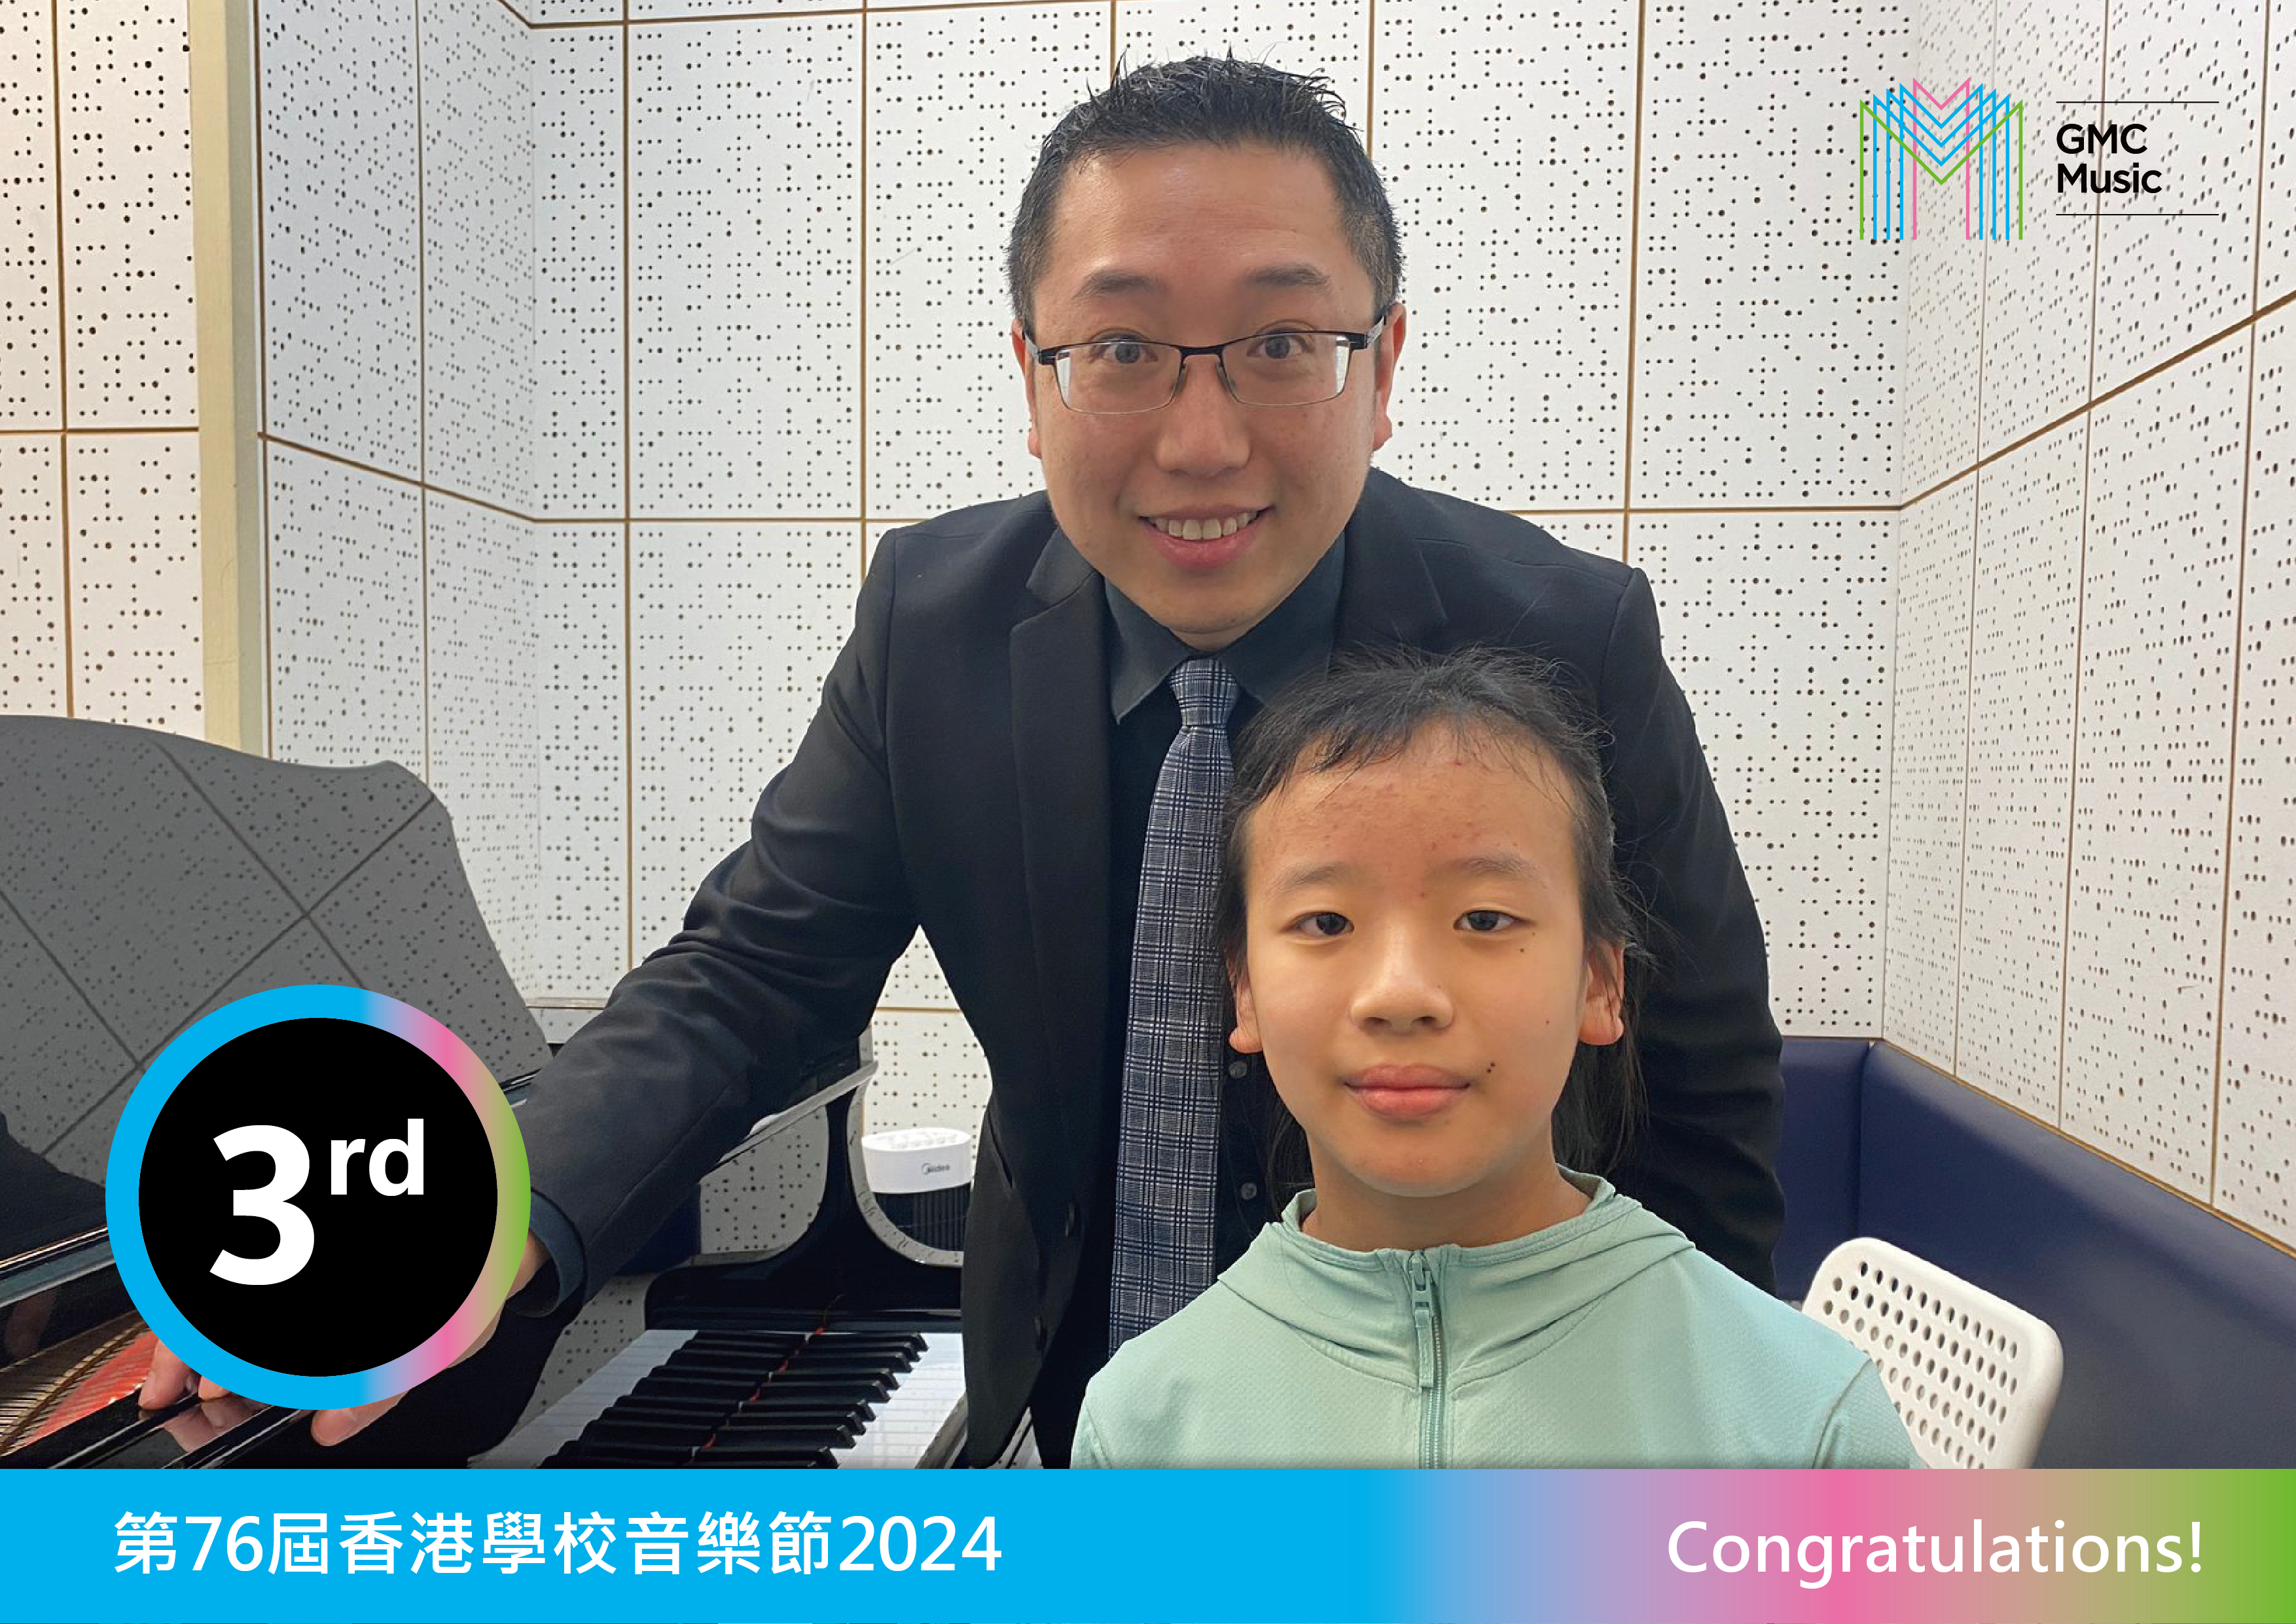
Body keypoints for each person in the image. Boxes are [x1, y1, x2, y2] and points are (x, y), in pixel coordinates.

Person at [144, 56, 1786, 1467]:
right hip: (1077, 1392)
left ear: (1382, 369)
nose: (1200, 441)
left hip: (1476, 1423)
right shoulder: (933, 620)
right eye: (1121, 349)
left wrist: (1678, 1454)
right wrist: (464, 1214)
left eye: (1282, 343)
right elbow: (748, 977)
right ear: (1030, 376)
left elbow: (1696, 1088)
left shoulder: (1561, 635)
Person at [1073, 649, 1916, 1468]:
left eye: (1485, 919)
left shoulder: (1807, 1422)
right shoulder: (1143, 1425)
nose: (1401, 994)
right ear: (1246, 992)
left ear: (1599, 983)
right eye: (1326, 922)